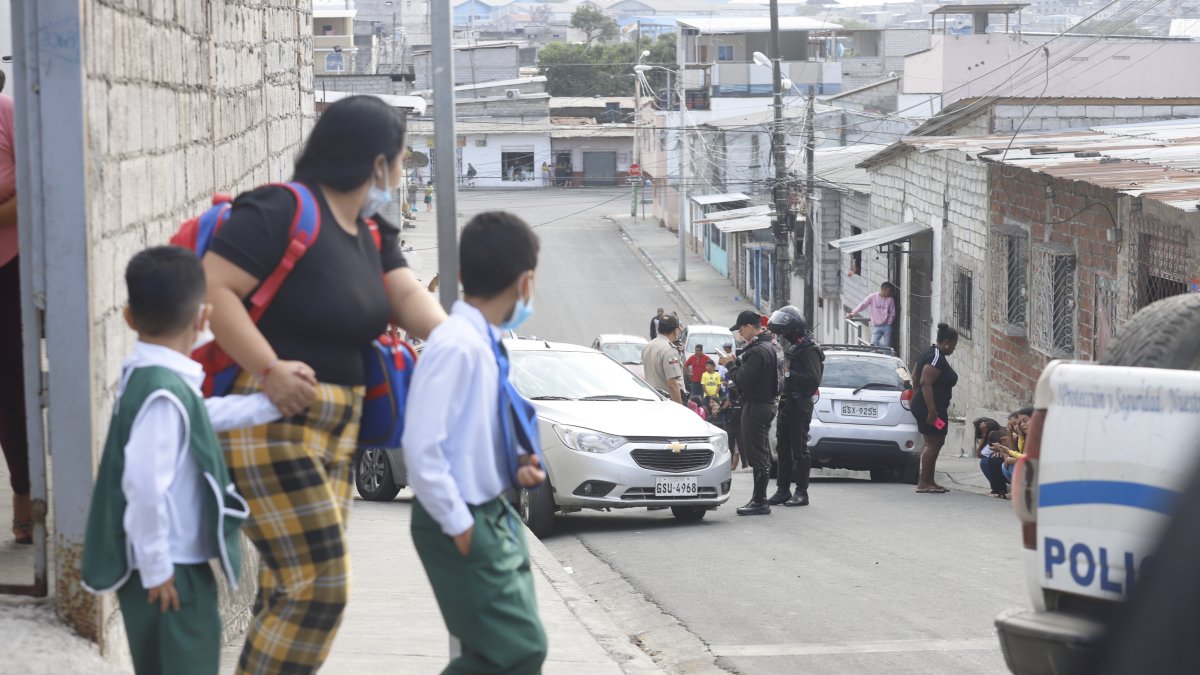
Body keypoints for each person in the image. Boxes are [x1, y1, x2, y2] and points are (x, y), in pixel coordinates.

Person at [202, 95, 446, 673]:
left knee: (293, 584)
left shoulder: (368, 228)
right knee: (320, 584)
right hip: (272, 419)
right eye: (401, 156)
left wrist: (465, 342)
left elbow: (406, 295)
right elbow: (212, 290)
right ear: (375, 159)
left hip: (340, 428)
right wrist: (268, 368)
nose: (402, 168)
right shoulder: (281, 210)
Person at [82, 247, 282, 675]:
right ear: (202, 317)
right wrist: (158, 569)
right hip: (170, 569)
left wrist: (268, 407)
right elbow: (144, 485)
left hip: (160, 566)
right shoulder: (162, 393)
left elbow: (198, 415)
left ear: (128, 318)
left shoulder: (148, 376)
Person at [402, 211, 548, 674]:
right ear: (526, 282)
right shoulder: (457, 345)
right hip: (461, 515)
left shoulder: (482, 343)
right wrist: (461, 527)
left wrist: (515, 465)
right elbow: (422, 448)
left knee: (502, 652)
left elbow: (469, 436)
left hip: (489, 510)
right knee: (518, 651)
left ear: (462, 276)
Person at [0, 85, 27, 545]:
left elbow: (38, 184)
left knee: (12, 387)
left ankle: (25, 496)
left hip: (9, 266)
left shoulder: (8, 114)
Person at [765, 306, 825, 508]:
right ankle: (783, 490)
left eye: (785, 333)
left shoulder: (810, 350)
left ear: (794, 331)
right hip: (787, 401)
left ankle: (802, 492)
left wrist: (787, 374)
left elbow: (813, 380)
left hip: (800, 402)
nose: (783, 337)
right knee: (783, 448)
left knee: (799, 449)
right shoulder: (794, 348)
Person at [726, 310, 781, 516]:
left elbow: (744, 380)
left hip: (757, 406)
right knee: (762, 452)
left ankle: (760, 500)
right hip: (765, 404)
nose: (740, 334)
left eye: (741, 329)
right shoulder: (769, 346)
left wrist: (730, 365)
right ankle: (760, 498)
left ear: (749, 327)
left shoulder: (759, 351)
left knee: (757, 454)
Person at [910, 323, 960, 494]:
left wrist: (915, 397)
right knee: (934, 443)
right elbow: (925, 382)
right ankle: (924, 483)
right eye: (953, 345)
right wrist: (931, 410)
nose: (953, 349)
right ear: (946, 342)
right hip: (931, 407)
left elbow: (915, 376)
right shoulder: (936, 357)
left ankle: (929, 481)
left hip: (927, 405)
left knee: (933, 442)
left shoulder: (930, 353)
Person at [641, 315, 684, 404]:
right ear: (676, 331)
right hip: (667, 402)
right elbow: (672, 384)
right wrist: (680, 407)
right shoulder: (669, 349)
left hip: (652, 399)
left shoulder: (648, 346)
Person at [848, 281, 897, 349]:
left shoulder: (890, 299)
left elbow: (892, 312)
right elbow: (863, 305)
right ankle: (888, 350)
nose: (891, 293)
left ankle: (887, 353)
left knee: (887, 344)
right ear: (884, 289)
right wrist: (853, 313)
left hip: (887, 326)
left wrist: (889, 322)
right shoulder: (873, 296)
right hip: (877, 326)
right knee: (874, 344)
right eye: (889, 291)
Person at [979, 429, 1010, 498]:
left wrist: (1003, 452)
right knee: (990, 459)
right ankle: (998, 490)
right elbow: (980, 454)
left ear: (1003, 440)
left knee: (996, 459)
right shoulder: (996, 435)